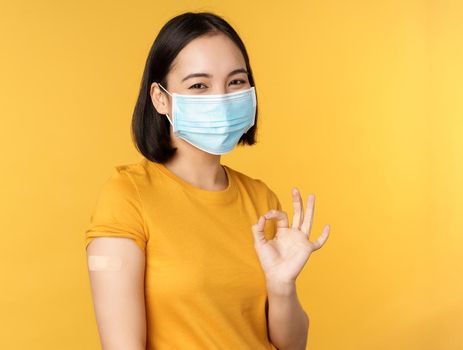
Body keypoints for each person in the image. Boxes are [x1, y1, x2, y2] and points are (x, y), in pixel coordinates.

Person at [84, 12, 330, 350]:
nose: (221, 97)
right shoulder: (128, 196)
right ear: (161, 98)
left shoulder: (261, 201)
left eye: (236, 81)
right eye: (199, 85)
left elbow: (292, 345)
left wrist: (282, 285)